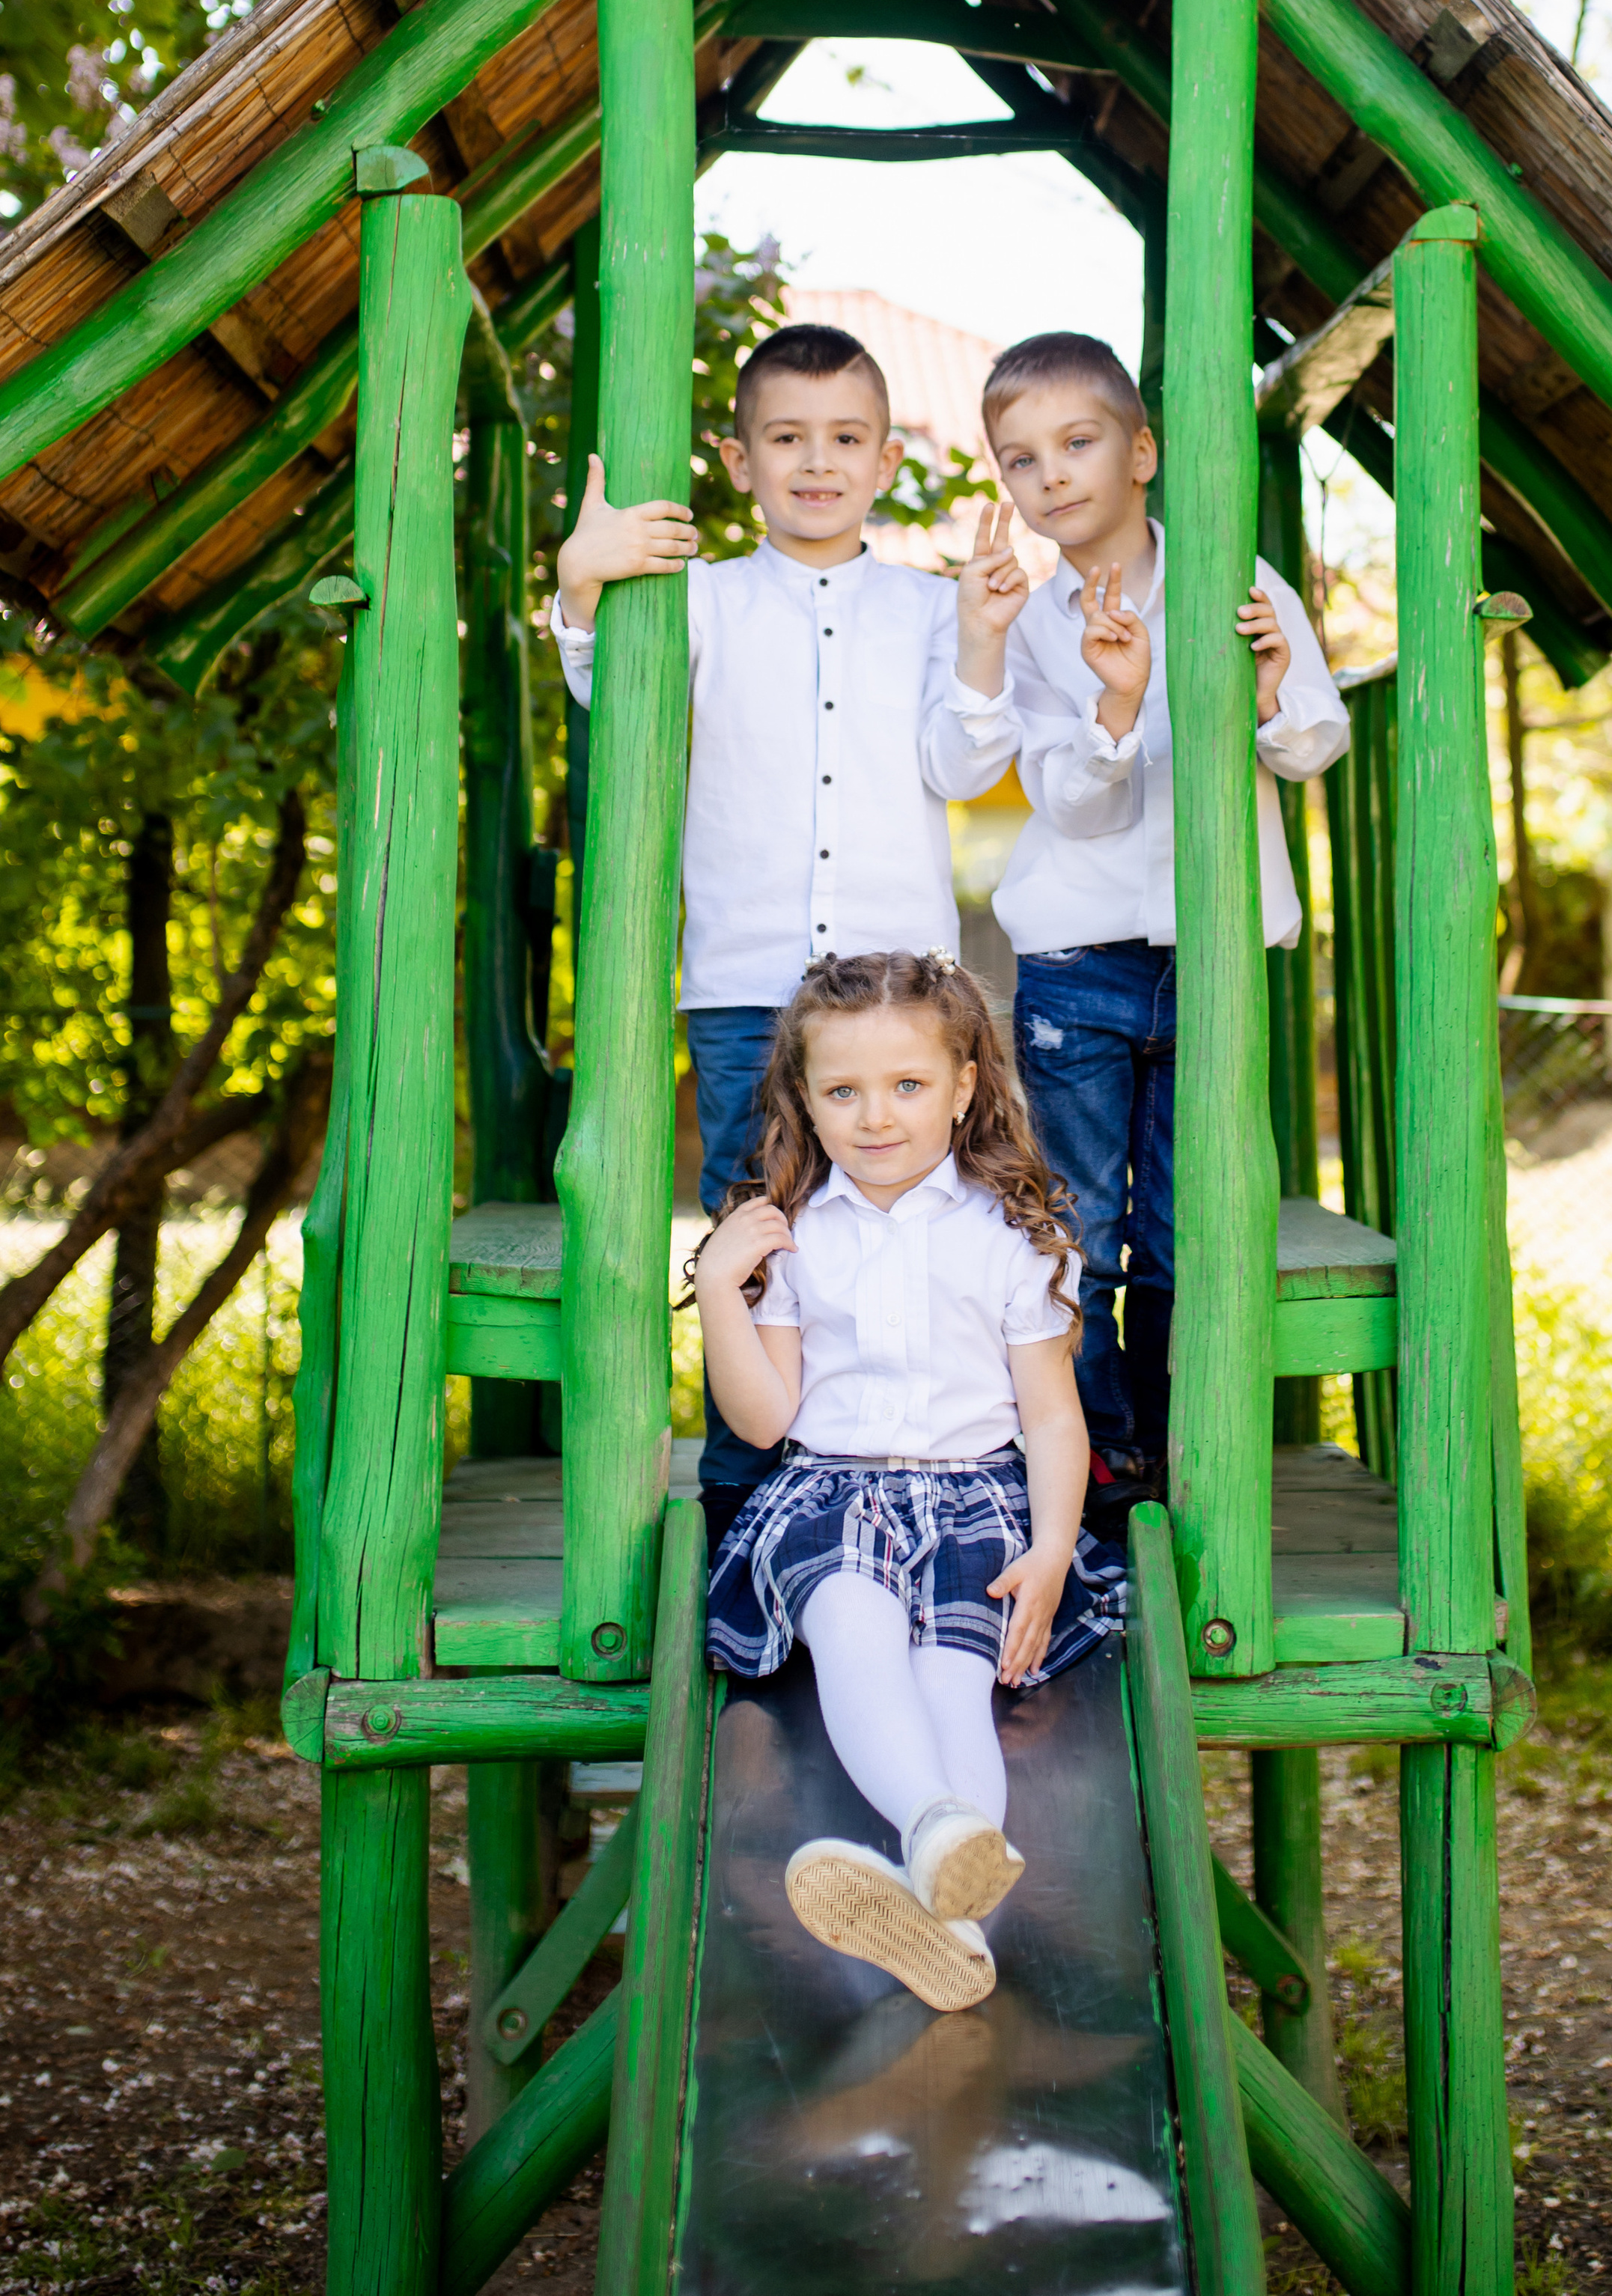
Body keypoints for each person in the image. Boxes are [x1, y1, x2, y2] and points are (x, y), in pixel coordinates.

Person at [551, 323, 1023, 1553]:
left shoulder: (931, 607)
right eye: (787, 438)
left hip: (899, 998)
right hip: (744, 987)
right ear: (739, 457)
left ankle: (919, 1479)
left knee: (911, 1227)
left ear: (884, 460)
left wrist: (980, 639)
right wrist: (580, 582)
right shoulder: (694, 598)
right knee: (756, 1236)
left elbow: (964, 764)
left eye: (846, 439)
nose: (817, 462)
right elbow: (608, 686)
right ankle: (753, 1505)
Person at [939, 330, 1350, 1529]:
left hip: (1217, 956)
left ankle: (1178, 1441)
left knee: (1190, 1218)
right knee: (1082, 1222)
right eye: (1021, 461)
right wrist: (1115, 707)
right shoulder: (1033, 624)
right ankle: (1099, 1452)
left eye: (1078, 443)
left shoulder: (1242, 579)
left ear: (1144, 450)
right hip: (1081, 961)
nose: (1051, 476)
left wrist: (1269, 699)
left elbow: (1313, 743)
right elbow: (1071, 800)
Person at [693, 948, 1125, 2012]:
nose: (875, 1116)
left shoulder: (1013, 1237)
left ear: (965, 1087)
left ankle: (950, 1925)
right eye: (842, 1091)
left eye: (908, 1086)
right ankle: (937, 1829)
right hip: (832, 1493)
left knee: (953, 1686)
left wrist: (1055, 1547)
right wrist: (717, 1286)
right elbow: (766, 1418)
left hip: (976, 1502)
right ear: (804, 1096)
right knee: (851, 1623)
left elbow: (1052, 1418)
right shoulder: (797, 1236)